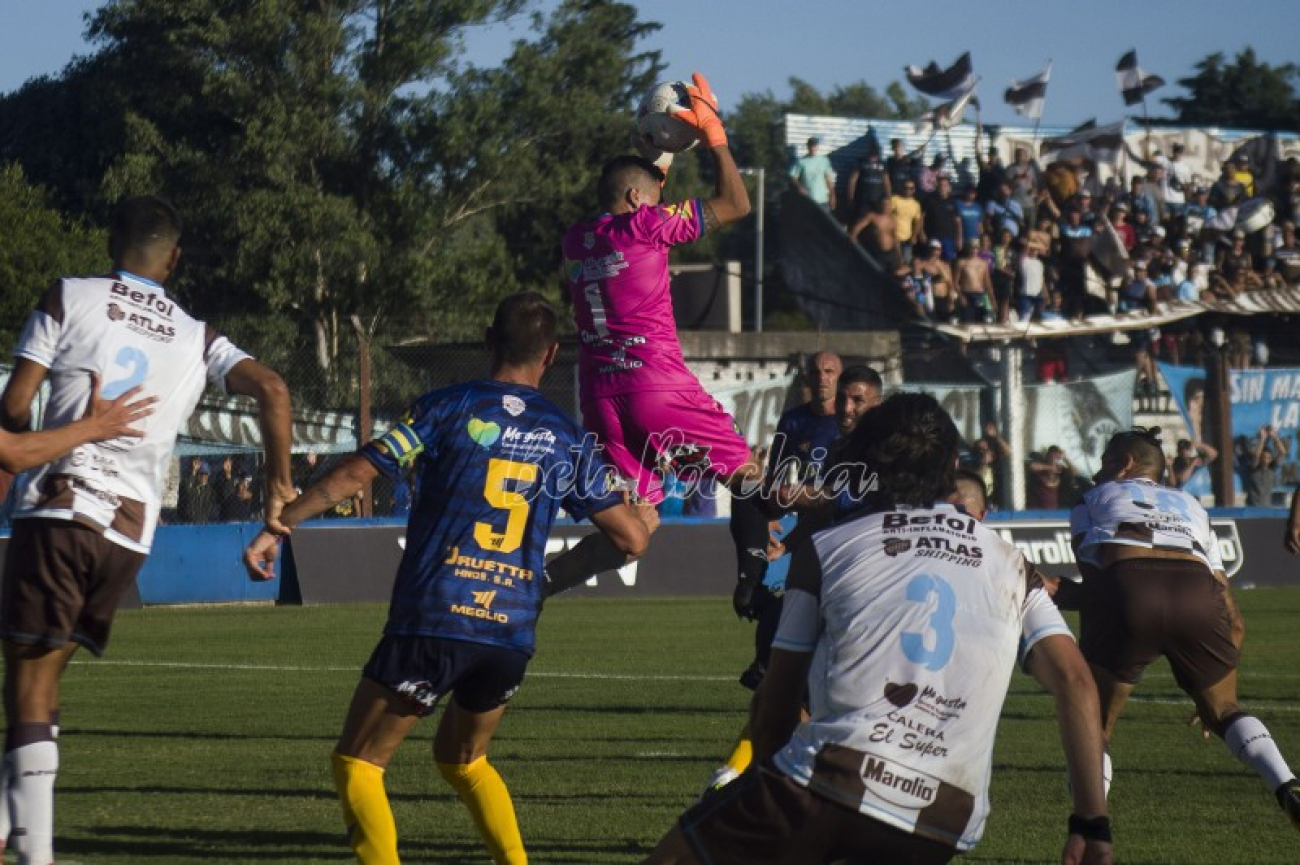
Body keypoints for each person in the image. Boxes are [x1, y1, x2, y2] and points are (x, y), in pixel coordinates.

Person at [245, 292, 652, 865]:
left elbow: (361, 472)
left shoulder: (445, 406)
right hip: (510, 629)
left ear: (488, 341)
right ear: (552, 354)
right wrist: (569, 567)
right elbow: (629, 539)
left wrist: (281, 522)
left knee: (358, 762)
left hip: (437, 616)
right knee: (464, 760)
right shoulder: (568, 438)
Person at [645, 394, 1112, 864]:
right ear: (951, 464)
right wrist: (1091, 823)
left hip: (828, 780)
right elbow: (1076, 683)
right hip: (944, 817)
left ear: (866, 462)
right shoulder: (1013, 565)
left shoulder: (828, 548)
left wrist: (760, 790)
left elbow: (777, 705)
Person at [0, 194, 294, 864]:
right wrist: (278, 489)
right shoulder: (197, 334)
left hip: (60, 505)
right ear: (175, 257)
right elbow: (274, 389)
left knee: (28, 687)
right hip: (128, 534)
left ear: (111, 243)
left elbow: (16, 404)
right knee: (42, 684)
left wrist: (28, 439)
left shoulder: (70, 296)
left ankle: (34, 856)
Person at [546, 72, 765, 602]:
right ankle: (767, 578)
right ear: (638, 199)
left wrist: (659, 148)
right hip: (656, 387)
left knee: (635, 532)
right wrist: (714, 137)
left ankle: (531, 588)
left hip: (602, 398)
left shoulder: (577, 239)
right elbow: (736, 204)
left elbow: (636, 190)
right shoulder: (647, 227)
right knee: (755, 481)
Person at [1071, 428, 1300, 831]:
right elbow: (1233, 613)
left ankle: (1092, 830)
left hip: (1130, 586)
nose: (1096, 475)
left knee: (1096, 725)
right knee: (1227, 711)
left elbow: (1097, 589)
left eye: (1106, 462)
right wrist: (1209, 684)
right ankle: (1286, 786)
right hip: (1198, 593)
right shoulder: (1191, 504)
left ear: (1124, 464)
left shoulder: (1091, 500)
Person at [1245, 425, 1289, 507]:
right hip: (1253, 506)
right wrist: (1262, 439)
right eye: (1264, 457)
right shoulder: (1253, 468)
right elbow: (1256, 457)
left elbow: (1283, 452)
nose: (1266, 459)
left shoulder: (1272, 468)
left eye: (1268, 457)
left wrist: (1275, 437)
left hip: (1267, 505)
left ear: (1271, 459)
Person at [789, 136, 835, 215]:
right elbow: (793, 177)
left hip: (823, 201)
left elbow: (829, 179)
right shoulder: (801, 161)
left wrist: (832, 195)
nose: (813, 148)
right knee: (808, 225)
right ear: (808, 146)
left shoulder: (824, 160)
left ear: (817, 147)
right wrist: (799, 186)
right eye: (811, 146)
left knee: (823, 224)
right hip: (807, 201)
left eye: (815, 146)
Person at [1028, 445, 1075, 509]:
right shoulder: (1041, 466)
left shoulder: (1060, 470)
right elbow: (1032, 467)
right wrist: (1050, 467)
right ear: (1048, 455)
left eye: (1057, 456)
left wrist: (1065, 458)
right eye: (1053, 455)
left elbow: (1074, 472)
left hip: (1051, 512)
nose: (1054, 458)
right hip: (1035, 510)